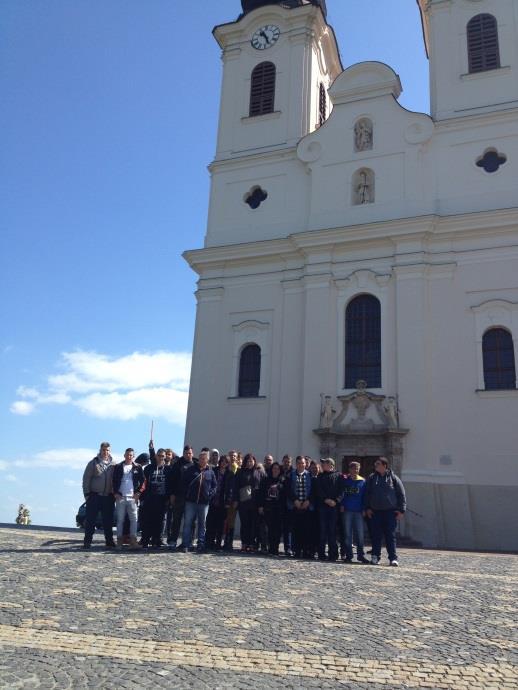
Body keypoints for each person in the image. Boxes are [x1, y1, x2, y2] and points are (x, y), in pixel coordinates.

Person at [364, 457, 406, 566]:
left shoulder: (393, 478)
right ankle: (375, 557)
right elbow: (367, 494)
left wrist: (401, 510)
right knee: (375, 536)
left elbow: (401, 494)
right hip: (375, 512)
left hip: (390, 512)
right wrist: (367, 508)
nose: (375, 466)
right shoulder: (372, 478)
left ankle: (393, 558)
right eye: (375, 464)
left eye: (378, 464)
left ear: (384, 465)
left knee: (390, 536)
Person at [180, 450, 217, 553]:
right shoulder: (191, 470)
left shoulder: (210, 472)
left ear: (207, 460)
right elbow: (184, 483)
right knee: (187, 523)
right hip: (190, 502)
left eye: (204, 458)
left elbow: (214, 486)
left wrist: (210, 495)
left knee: (202, 524)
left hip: (204, 503)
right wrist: (187, 494)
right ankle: (186, 544)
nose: (202, 460)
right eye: (200, 458)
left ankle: (201, 544)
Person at [82, 442, 116, 549]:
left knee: (108, 521)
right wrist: (87, 495)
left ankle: (109, 541)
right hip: (94, 496)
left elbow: (117, 480)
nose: (105, 452)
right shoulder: (93, 463)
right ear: (100, 450)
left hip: (108, 497)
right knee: (90, 521)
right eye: (104, 450)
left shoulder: (114, 464)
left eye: (107, 450)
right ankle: (87, 541)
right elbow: (86, 479)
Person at [113, 448, 145, 550]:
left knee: (134, 520)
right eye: (127, 455)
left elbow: (143, 481)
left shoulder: (138, 467)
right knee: (120, 520)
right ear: (124, 455)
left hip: (132, 498)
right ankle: (119, 542)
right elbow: (113, 481)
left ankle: (133, 541)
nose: (129, 457)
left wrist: (138, 493)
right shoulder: (118, 467)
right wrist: (115, 493)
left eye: (131, 455)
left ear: (133, 456)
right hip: (121, 497)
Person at [140, 446, 171, 548]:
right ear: (156, 456)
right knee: (147, 520)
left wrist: (168, 498)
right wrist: (142, 497)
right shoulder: (149, 468)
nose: (161, 457)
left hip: (162, 499)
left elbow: (171, 484)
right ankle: (145, 541)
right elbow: (143, 483)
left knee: (159, 521)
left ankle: (156, 541)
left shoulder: (168, 469)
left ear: (165, 457)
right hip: (149, 498)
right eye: (159, 456)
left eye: (163, 456)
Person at [315, 458, 344, 561]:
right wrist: (325, 500)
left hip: (334, 508)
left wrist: (336, 501)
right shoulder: (320, 476)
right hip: (323, 507)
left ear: (330, 465)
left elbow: (342, 491)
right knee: (322, 531)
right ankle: (321, 554)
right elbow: (318, 490)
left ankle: (333, 554)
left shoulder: (339, 476)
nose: (322, 465)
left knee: (332, 531)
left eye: (324, 463)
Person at [340, 461, 369, 564]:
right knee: (348, 534)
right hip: (347, 510)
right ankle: (349, 555)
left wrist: (364, 509)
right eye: (353, 469)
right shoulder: (345, 481)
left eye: (357, 469)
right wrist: (342, 505)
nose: (355, 471)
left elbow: (365, 497)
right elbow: (342, 494)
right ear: (350, 469)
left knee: (360, 534)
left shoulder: (363, 481)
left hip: (359, 511)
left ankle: (361, 555)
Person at [233, 453, 262, 552]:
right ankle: (244, 543)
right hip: (243, 503)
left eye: (251, 461)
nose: (250, 463)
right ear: (245, 462)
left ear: (254, 462)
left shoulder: (258, 472)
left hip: (254, 503)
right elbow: (236, 487)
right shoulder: (240, 472)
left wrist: (260, 504)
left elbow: (261, 487)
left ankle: (252, 543)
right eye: (248, 461)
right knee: (244, 524)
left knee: (253, 524)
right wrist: (236, 500)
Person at [168, 445, 195, 549]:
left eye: (190, 453)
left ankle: (189, 541)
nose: (188, 455)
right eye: (186, 453)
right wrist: (172, 494)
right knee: (176, 520)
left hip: (191, 498)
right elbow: (172, 481)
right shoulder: (177, 464)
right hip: (179, 497)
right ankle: (173, 540)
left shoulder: (195, 464)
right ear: (183, 453)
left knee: (190, 521)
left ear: (192, 454)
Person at [289, 455, 315, 559]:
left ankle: (306, 550)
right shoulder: (291, 475)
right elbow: (288, 490)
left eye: (303, 463)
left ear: (306, 464)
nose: (301, 465)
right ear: (296, 464)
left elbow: (313, 491)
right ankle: (296, 550)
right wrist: (295, 500)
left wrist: (308, 501)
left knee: (307, 530)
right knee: (296, 530)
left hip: (307, 507)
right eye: (299, 463)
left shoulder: (310, 476)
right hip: (295, 506)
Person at [205, 455, 232, 550]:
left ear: (228, 463)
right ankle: (209, 542)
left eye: (225, 462)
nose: (223, 463)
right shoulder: (214, 470)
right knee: (211, 523)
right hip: (213, 500)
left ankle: (218, 543)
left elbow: (230, 489)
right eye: (222, 461)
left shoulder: (230, 473)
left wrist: (228, 501)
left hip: (223, 501)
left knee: (220, 524)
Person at [258, 462, 283, 555]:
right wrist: (260, 506)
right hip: (268, 508)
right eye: (274, 468)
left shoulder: (282, 480)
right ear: (271, 469)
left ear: (280, 470)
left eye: (277, 468)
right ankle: (270, 548)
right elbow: (260, 494)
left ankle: (275, 548)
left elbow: (285, 494)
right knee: (270, 529)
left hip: (279, 508)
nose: (275, 470)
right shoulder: (265, 480)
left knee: (278, 530)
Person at [223, 449, 240, 551]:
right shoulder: (226, 469)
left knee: (231, 521)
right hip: (225, 499)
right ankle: (225, 541)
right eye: (231, 455)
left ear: (237, 457)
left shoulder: (238, 470)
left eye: (234, 456)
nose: (233, 457)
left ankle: (229, 542)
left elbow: (236, 486)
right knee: (225, 521)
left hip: (233, 500)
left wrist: (235, 500)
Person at [280, 454, 294, 557]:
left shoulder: (293, 473)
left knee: (290, 527)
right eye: (285, 461)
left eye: (288, 462)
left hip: (291, 503)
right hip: (280, 503)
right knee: (282, 527)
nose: (286, 463)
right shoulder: (279, 471)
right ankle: (285, 547)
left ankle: (290, 548)